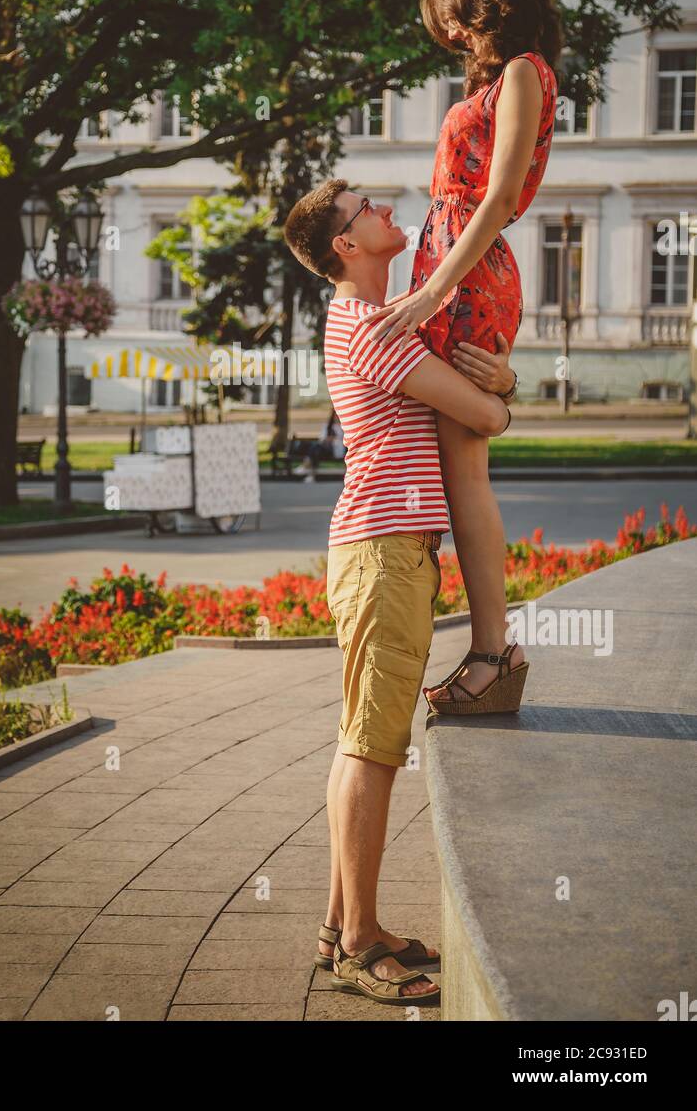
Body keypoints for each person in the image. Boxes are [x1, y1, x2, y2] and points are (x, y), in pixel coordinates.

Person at [283, 178, 522, 1006]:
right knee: (373, 748)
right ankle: (357, 947)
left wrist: (496, 384)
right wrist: (505, 386)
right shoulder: (374, 328)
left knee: (363, 737)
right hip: (383, 557)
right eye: (366, 209)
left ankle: (343, 923)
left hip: (384, 553)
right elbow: (484, 420)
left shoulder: (371, 323)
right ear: (346, 246)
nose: (387, 209)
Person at [356, 0, 560, 707]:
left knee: (465, 473)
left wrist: (429, 293)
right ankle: (482, 651)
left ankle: (491, 655)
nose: (447, 33)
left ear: (481, 1)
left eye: (451, 16)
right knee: (451, 467)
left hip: (466, 277)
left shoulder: (521, 74)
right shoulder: (506, 76)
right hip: (455, 270)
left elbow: (501, 197)